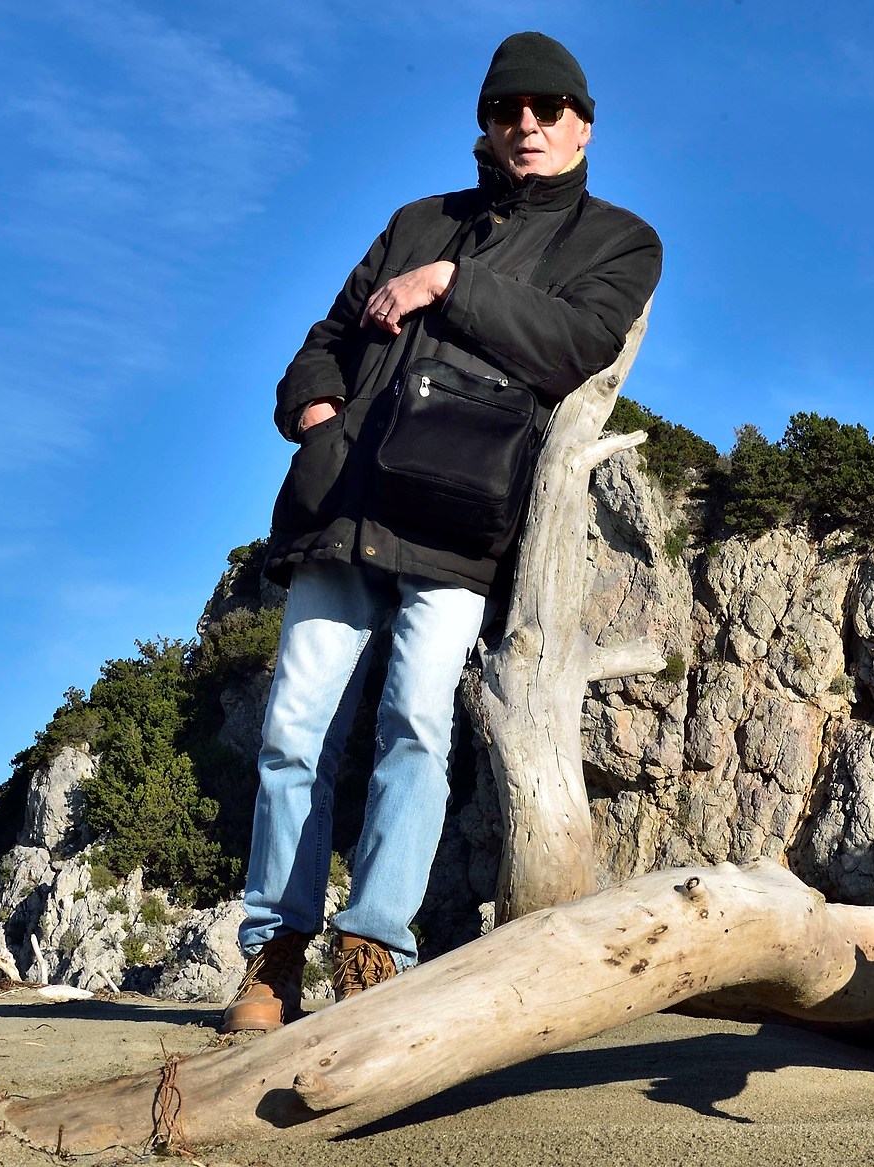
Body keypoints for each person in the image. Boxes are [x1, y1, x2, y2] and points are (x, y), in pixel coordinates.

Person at [224, 31, 663, 1033]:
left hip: (462, 519)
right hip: (346, 508)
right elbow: (325, 339)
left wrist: (448, 286)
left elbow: (573, 346)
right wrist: (316, 418)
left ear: (584, 127)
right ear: (486, 123)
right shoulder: (417, 218)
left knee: (417, 729)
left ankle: (373, 950)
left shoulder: (621, 242)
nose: (528, 125)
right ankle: (274, 957)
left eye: (549, 109)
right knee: (294, 733)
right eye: (510, 109)